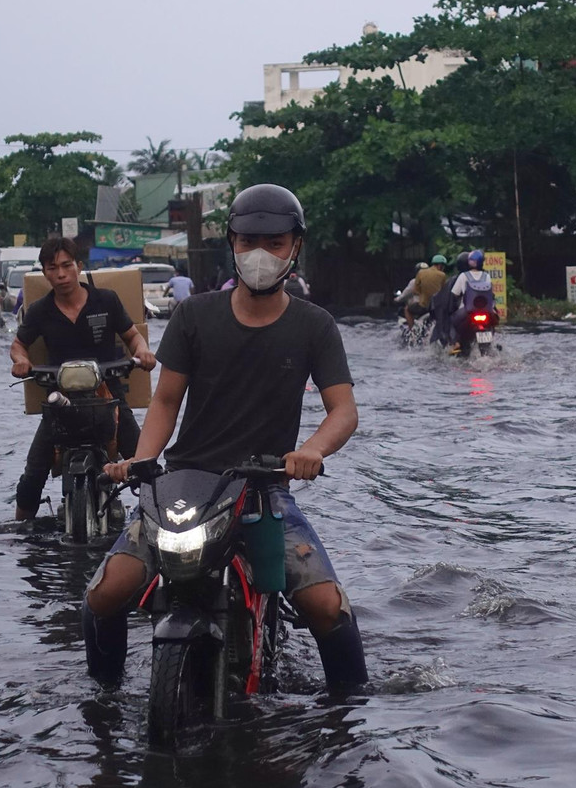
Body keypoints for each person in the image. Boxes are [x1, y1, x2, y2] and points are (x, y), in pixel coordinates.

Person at [85, 183, 368, 691]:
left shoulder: (315, 326)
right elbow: (166, 401)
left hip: (264, 487)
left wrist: (311, 451)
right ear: (232, 245)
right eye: (247, 242)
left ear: (295, 246)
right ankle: (100, 701)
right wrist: (142, 463)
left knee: (326, 608)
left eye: (275, 243)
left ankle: (351, 716)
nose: (260, 254)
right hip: (185, 483)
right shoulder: (194, 316)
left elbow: (342, 410)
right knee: (104, 594)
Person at [8, 237, 156, 520]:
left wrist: (144, 352)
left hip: (108, 397)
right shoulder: (40, 310)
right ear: (44, 272)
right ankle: (20, 535)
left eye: (66, 266)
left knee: (146, 466)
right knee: (32, 478)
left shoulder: (106, 300)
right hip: (60, 403)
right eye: (52, 268)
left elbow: (132, 336)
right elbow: (18, 345)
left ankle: (158, 524)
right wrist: (22, 361)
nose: (61, 274)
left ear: (79, 266)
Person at [449, 249, 495, 356]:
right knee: (492, 325)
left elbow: (455, 294)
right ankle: (490, 343)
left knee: (451, 320)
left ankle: (455, 343)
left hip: (467, 311)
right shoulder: (486, 276)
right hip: (486, 312)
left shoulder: (463, 276)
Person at [399, 254, 448, 329]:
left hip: (423, 306)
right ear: (440, 266)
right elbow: (444, 291)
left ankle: (411, 331)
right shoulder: (443, 275)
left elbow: (414, 291)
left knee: (407, 309)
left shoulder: (420, 274)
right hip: (437, 307)